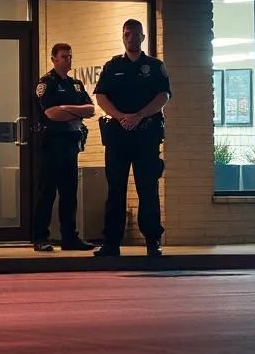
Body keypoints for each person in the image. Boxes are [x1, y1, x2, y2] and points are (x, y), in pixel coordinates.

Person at [92, 19, 171, 257]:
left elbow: (163, 96)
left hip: (146, 133)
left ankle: (152, 241)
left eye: (135, 34)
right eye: (127, 34)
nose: (131, 38)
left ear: (143, 37)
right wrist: (120, 117)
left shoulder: (155, 66)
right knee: (115, 189)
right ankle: (111, 243)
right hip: (118, 135)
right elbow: (101, 96)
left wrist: (138, 116)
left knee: (147, 188)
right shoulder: (112, 66)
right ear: (122, 36)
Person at [32, 43, 98, 252]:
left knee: (69, 193)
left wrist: (68, 109)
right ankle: (41, 237)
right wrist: (76, 113)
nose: (68, 60)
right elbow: (51, 113)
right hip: (51, 144)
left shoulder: (76, 85)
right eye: (63, 57)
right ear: (54, 59)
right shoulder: (46, 83)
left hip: (71, 144)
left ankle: (70, 238)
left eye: (70, 56)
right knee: (47, 192)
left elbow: (91, 110)